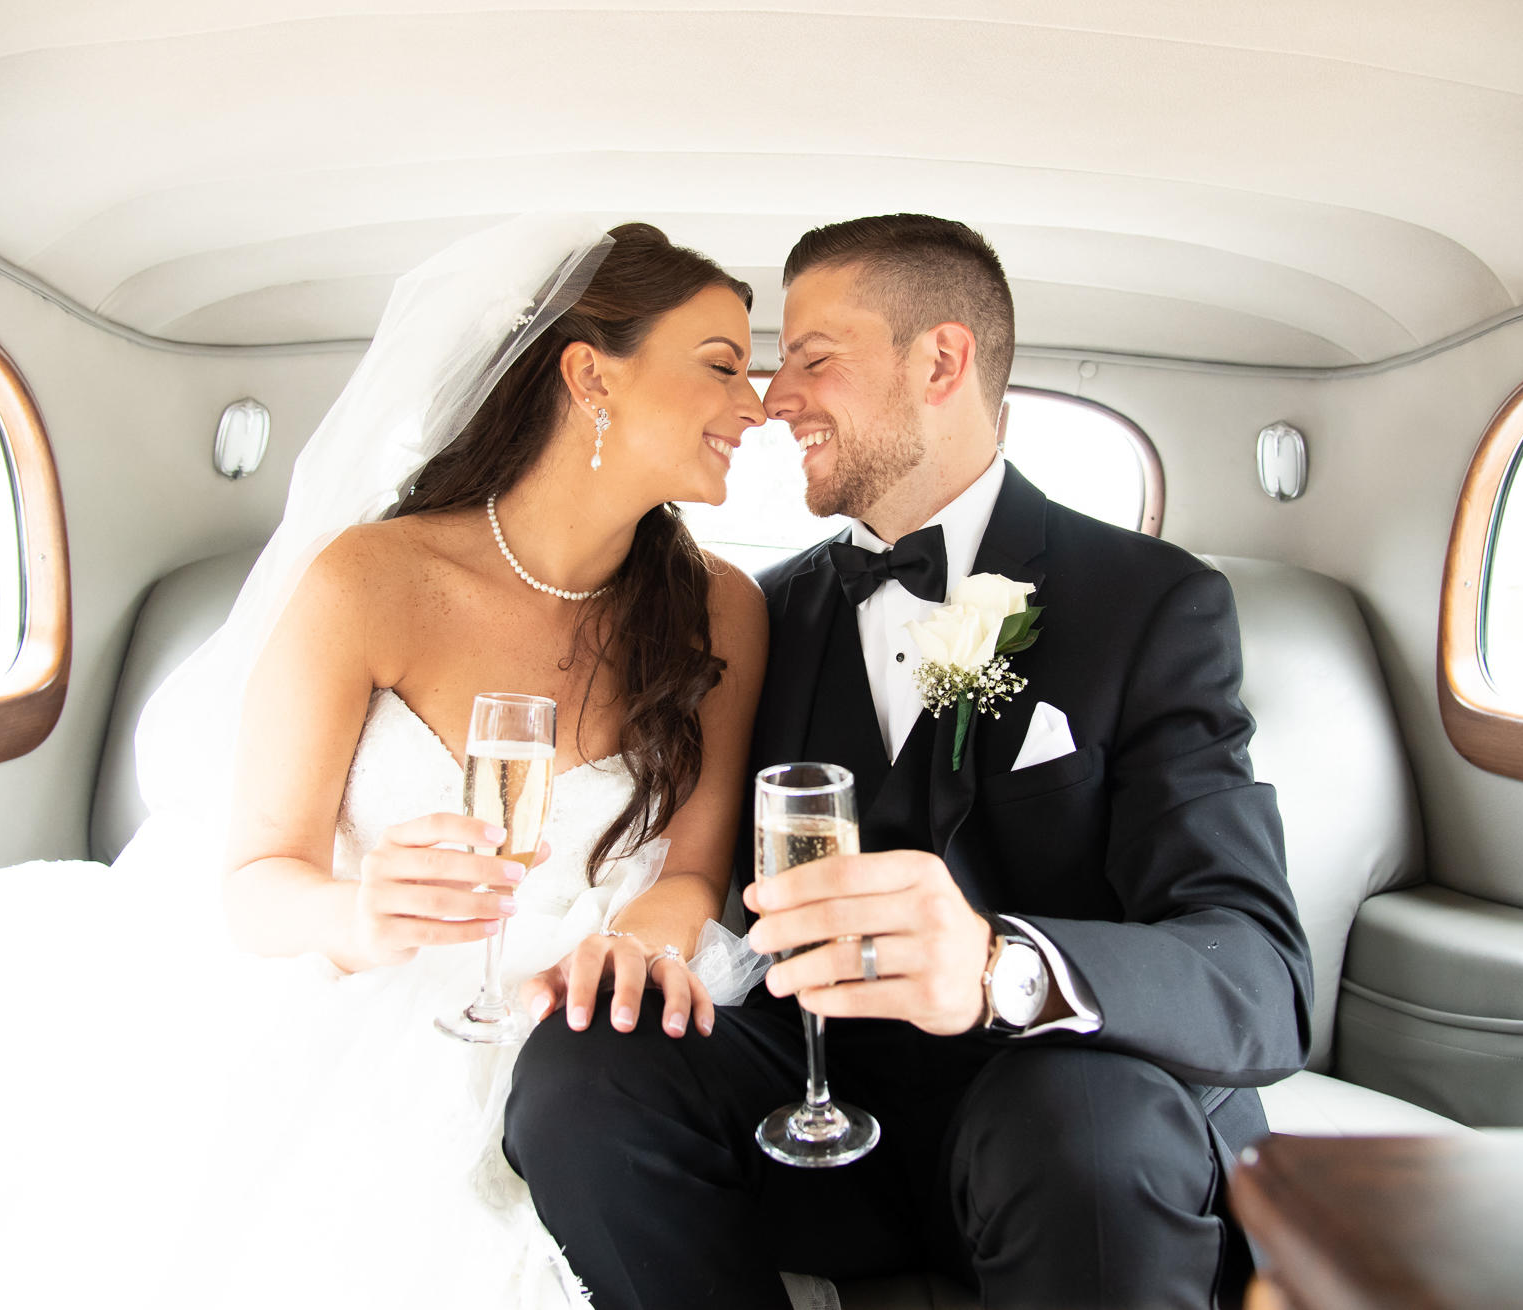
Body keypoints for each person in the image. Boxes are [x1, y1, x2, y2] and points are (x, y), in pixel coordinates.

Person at [0, 217, 769, 1309]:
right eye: (721, 365)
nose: (755, 405)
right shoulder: (371, 577)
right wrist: (363, 912)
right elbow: (257, 880)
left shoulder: (724, 609)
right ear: (589, 376)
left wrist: (620, 953)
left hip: (585, 1029)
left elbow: (690, 872)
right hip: (356, 996)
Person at [507, 214, 1315, 1309]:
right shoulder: (762, 615)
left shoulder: (1153, 603)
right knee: (578, 1070)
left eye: (811, 356)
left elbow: (1258, 975)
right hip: (824, 1115)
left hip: (1070, 1133)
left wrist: (994, 964)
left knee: (1079, 1124)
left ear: (939, 360)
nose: (772, 395)